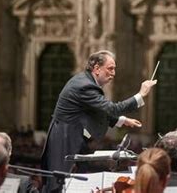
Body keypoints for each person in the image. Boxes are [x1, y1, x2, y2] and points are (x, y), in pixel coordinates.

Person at [41, 50, 157, 192]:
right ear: (96, 68)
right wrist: (140, 95)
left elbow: (96, 112)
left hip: (72, 135)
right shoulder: (85, 85)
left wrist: (122, 120)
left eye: (114, 69)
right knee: (59, 184)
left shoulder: (86, 81)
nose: (113, 73)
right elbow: (111, 109)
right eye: (110, 68)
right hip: (65, 138)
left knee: (77, 182)